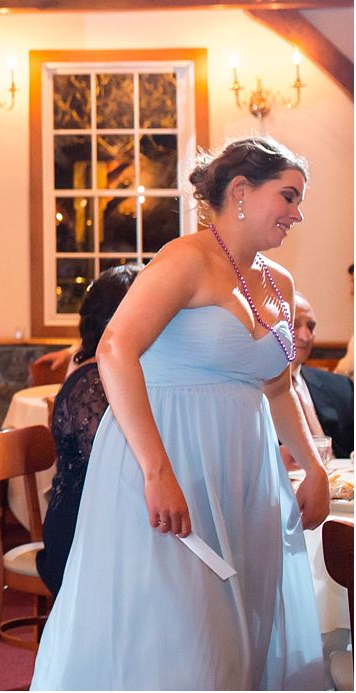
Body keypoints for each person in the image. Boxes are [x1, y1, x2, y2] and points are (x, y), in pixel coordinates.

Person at [31, 136, 326, 690]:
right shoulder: (184, 259)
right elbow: (114, 348)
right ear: (241, 191)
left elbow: (278, 386)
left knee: (241, 630)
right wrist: (157, 471)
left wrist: (310, 466)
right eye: (287, 197)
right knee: (180, 636)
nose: (297, 213)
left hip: (243, 468)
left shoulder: (277, 282)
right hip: (169, 457)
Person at [35, 263, 140, 596]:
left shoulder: (120, 372)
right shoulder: (91, 384)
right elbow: (112, 468)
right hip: (83, 529)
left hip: (113, 518)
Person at [289, 293, 353, 460]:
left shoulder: (342, 388)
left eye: (311, 326)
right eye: (294, 324)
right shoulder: (249, 393)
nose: (305, 336)